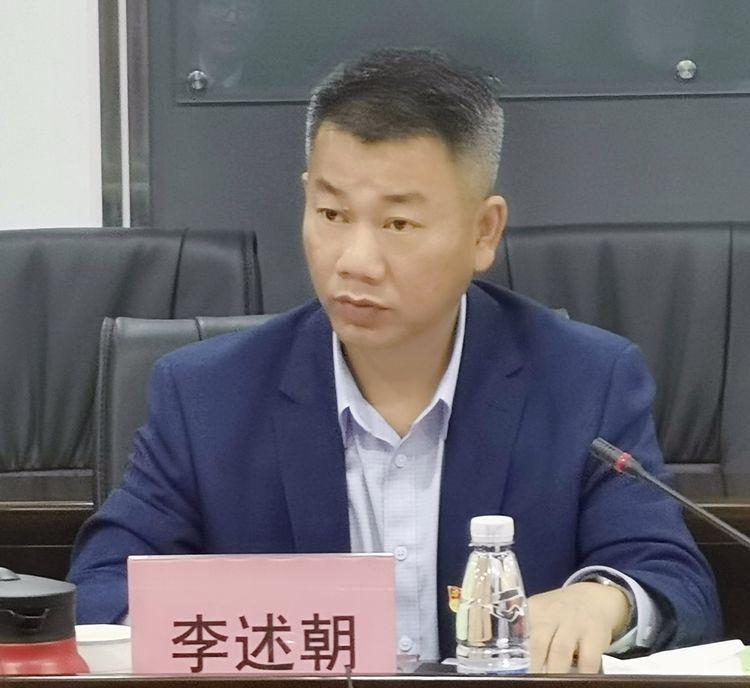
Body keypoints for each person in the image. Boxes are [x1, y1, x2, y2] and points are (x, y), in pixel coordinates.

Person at [69, 47, 721, 673]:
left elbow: (675, 584)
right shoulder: (206, 397)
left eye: (398, 224)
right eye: (331, 213)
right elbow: (99, 592)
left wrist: (605, 600)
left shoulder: (585, 382)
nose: (354, 261)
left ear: (483, 232)